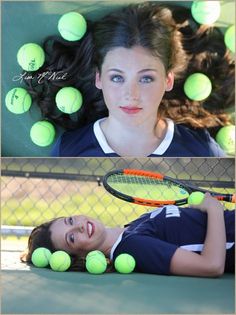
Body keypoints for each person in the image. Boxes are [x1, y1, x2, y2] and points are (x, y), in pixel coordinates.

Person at [25, 2, 234, 157]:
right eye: (117, 77)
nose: (131, 95)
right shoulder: (67, 149)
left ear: (168, 80)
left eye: (146, 79)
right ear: (99, 78)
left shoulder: (202, 150)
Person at [21, 193, 235, 277]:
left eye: (70, 220)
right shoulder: (132, 248)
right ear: (80, 256)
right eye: (71, 238)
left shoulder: (132, 226)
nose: (78, 227)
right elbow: (211, 266)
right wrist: (214, 209)